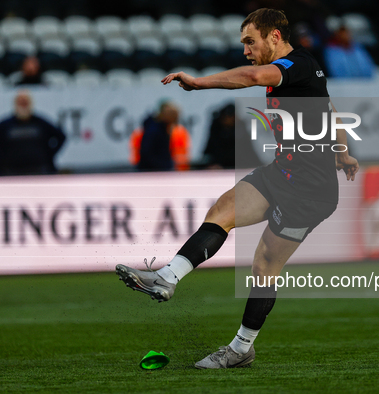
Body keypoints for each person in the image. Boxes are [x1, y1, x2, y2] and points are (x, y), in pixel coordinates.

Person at [115, 8, 359, 369]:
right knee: (222, 210)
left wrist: (198, 83)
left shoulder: (295, 65)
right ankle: (166, 278)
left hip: (311, 192)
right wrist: (342, 149)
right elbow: (328, 107)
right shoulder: (303, 71)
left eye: (250, 41)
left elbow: (253, 75)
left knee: (263, 266)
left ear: (274, 36)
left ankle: (241, 349)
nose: (245, 49)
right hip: (283, 172)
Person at [0, 90, 66, 176]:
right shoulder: (5, 125)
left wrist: (49, 154)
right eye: (20, 102)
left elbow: (61, 136)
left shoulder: (41, 124)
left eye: (25, 101)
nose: (23, 104)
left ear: (31, 103)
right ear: (15, 104)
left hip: (39, 171)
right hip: (10, 172)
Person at [129, 101, 191, 171]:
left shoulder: (158, 128)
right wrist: (164, 166)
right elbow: (147, 153)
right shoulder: (154, 131)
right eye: (174, 117)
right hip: (153, 172)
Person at [202, 103, 261, 169]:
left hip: (239, 165)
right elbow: (212, 150)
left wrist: (257, 164)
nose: (231, 119)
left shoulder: (240, 127)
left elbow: (249, 149)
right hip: (220, 166)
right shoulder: (216, 129)